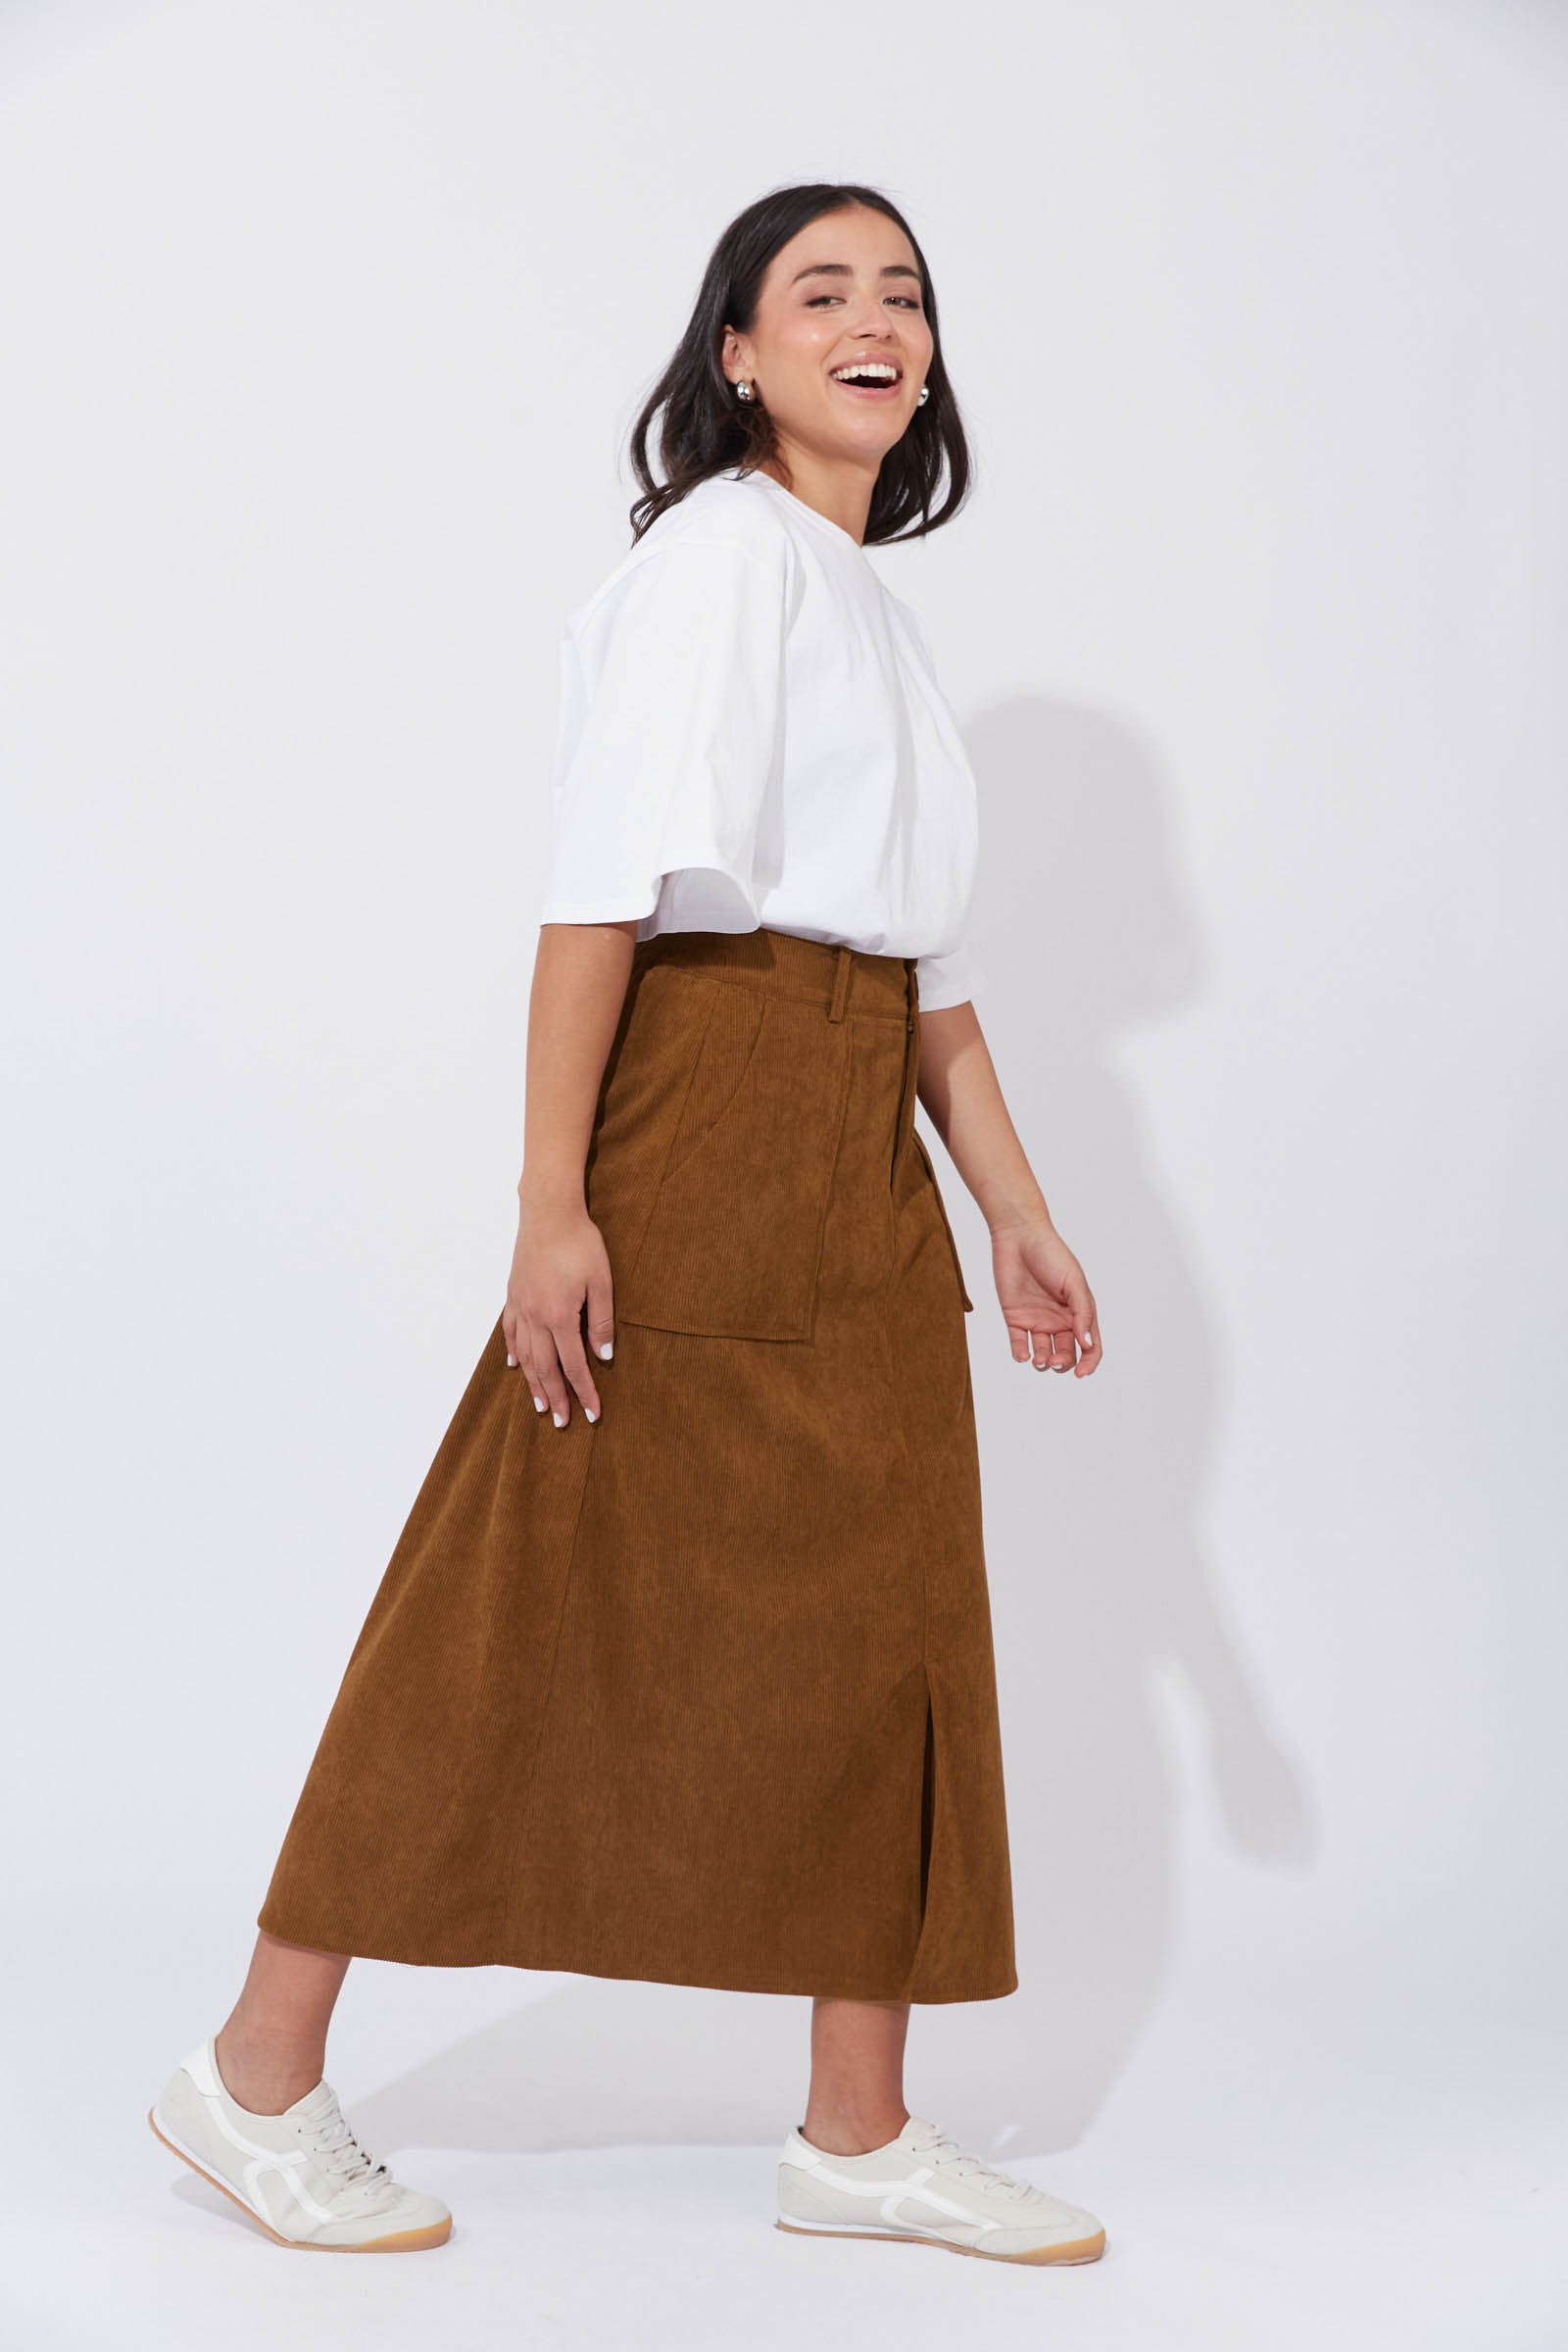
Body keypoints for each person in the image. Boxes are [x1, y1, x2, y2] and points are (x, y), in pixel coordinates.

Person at [148, 180, 1108, 2269]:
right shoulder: (720, 563)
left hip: (857, 1136)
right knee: (518, 1586)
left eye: (904, 292)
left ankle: (858, 2129)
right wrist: (551, 1206)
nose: (874, 318)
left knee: (888, 1618)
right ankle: (253, 2075)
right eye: (819, 291)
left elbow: (926, 980)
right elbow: (598, 896)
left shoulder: (871, 609)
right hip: (704, 1112)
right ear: (737, 355)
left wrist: (1015, 1212)